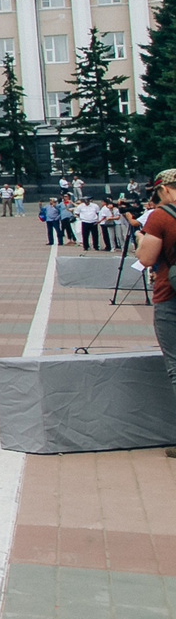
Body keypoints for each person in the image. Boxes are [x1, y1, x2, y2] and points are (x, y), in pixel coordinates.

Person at [137, 171, 176, 454]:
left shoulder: (160, 216)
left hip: (171, 297)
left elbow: (147, 258)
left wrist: (141, 239)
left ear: (163, 190)